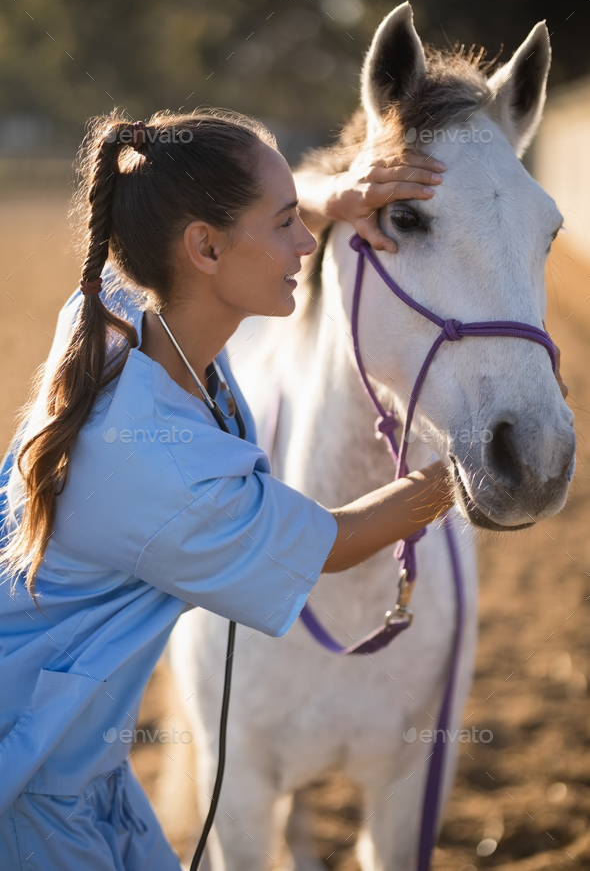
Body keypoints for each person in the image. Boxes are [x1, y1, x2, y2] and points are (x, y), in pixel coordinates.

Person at [0, 108, 452, 871]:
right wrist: (467, 471)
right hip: (30, 779)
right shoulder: (160, 466)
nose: (308, 241)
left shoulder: (119, 300)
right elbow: (332, 542)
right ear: (205, 248)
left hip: (77, 765)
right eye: (285, 224)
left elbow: (233, 215)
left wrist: (331, 194)